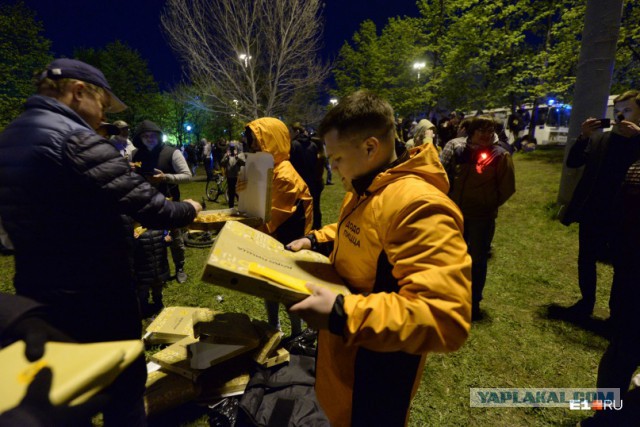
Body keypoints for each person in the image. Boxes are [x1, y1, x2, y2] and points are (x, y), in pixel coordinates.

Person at [0, 58, 201, 426]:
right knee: (123, 391)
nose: (102, 117)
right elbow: (150, 207)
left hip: (36, 292)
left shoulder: (10, 136)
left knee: (61, 391)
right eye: (103, 105)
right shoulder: (76, 139)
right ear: (79, 93)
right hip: (97, 295)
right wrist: (188, 207)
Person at [286, 90, 472, 426]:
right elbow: (363, 230)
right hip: (345, 360)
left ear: (371, 147)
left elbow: (445, 317)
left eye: (337, 159)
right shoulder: (366, 185)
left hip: (377, 373)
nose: (333, 168)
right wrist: (316, 239)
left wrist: (342, 313)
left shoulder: (419, 206)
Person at [560, 90, 640, 318]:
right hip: (593, 209)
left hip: (626, 213)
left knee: (622, 263)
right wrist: (583, 136)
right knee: (586, 257)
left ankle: (617, 311)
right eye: (617, 112)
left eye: (627, 110)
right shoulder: (601, 139)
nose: (621, 116)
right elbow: (574, 162)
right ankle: (586, 302)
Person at [240, 117, 313, 337]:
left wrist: (248, 233)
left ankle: (297, 334)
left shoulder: (285, 174)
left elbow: (273, 216)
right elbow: (252, 201)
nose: (252, 146)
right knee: (269, 286)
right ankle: (274, 328)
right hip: (273, 238)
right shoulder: (265, 167)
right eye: (251, 141)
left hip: (287, 241)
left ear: (270, 141)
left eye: (256, 141)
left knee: (289, 290)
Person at [440, 115, 516, 320]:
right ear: (472, 132)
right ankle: (452, 296)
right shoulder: (458, 150)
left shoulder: (499, 155)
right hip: (456, 214)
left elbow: (507, 188)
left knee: (478, 260)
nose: (486, 134)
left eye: (490, 130)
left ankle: (473, 301)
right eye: (481, 130)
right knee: (454, 256)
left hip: (482, 217)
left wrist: (488, 203)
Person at [132, 120, 193, 284]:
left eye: (152, 135)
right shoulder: (136, 155)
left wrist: (165, 177)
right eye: (145, 136)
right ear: (140, 138)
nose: (149, 138)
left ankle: (180, 268)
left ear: (158, 136)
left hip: (170, 202)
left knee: (175, 238)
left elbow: (187, 176)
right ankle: (159, 272)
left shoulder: (172, 153)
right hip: (146, 203)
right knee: (152, 240)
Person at [132, 224, 172, 319]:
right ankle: (144, 309)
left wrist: (169, 240)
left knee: (158, 288)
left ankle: (158, 304)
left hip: (159, 267)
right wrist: (132, 239)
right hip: (142, 270)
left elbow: (168, 239)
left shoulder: (160, 226)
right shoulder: (134, 229)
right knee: (143, 291)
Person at [290, 122, 324, 229]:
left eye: (290, 132)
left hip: (299, 182)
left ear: (296, 132)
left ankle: (303, 228)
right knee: (315, 207)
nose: (288, 134)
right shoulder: (313, 145)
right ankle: (317, 227)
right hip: (313, 181)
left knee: (299, 208)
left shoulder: (293, 145)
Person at [220, 141, 246, 208]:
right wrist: (227, 157)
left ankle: (241, 206)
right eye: (230, 147)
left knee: (238, 192)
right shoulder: (227, 154)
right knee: (231, 193)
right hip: (229, 176)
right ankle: (231, 207)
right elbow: (222, 163)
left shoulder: (240, 154)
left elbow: (244, 163)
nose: (232, 149)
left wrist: (237, 157)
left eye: (233, 147)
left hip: (237, 176)